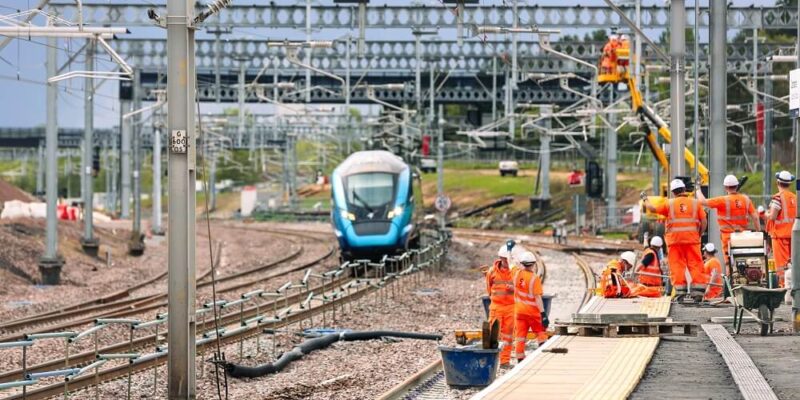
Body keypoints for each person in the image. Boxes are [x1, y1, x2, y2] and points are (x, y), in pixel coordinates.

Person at [644, 179, 708, 301]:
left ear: (673, 192)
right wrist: (699, 234)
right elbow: (704, 221)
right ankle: (698, 292)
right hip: (692, 240)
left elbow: (651, 209)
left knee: (677, 265)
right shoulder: (695, 203)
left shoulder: (669, 204)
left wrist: (645, 198)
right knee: (695, 264)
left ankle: (680, 293)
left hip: (674, 241)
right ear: (684, 189)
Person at [696, 174, 761, 263]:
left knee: (729, 264)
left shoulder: (723, 200)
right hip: (743, 237)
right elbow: (756, 217)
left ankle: (730, 276)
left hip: (728, 238)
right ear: (737, 186)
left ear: (726, 187)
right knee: (744, 261)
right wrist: (758, 233)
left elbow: (702, 201)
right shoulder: (746, 199)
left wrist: (697, 188)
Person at [484, 242, 517, 366]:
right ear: (501, 258)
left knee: (508, 336)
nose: (507, 261)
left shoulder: (515, 271)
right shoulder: (491, 272)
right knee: (492, 335)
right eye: (505, 258)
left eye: (509, 259)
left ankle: (504, 361)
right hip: (496, 307)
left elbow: (521, 288)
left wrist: (514, 289)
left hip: (511, 308)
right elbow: (489, 289)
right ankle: (489, 361)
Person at [512, 251, 548, 362]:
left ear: (522, 263)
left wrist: (510, 252)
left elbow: (511, 263)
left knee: (520, 337)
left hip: (519, 312)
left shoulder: (516, 274)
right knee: (540, 331)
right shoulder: (534, 278)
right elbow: (537, 298)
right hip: (532, 313)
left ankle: (520, 359)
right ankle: (544, 353)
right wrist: (543, 314)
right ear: (533, 264)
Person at [766, 170, 797, 287]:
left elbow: (773, 216)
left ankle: (784, 286)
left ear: (778, 183)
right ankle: (794, 285)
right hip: (793, 236)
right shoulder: (795, 198)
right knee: (792, 262)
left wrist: (766, 214)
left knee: (781, 264)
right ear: (789, 184)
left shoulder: (778, 198)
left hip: (780, 236)